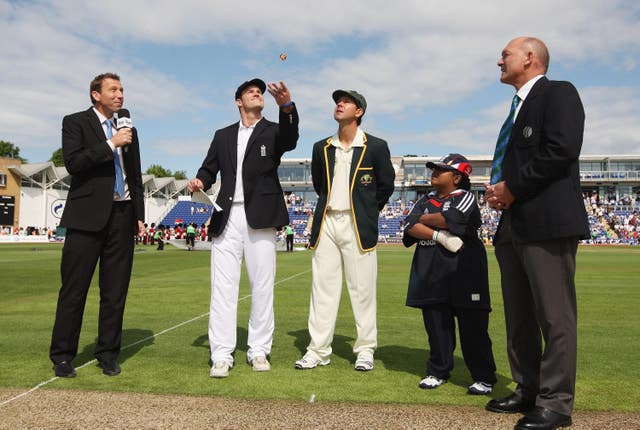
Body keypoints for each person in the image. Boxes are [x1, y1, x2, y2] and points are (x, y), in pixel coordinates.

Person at [484, 37, 589, 430]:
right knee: (519, 315)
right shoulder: (517, 109)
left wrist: (513, 187)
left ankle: (556, 404)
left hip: (547, 222)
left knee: (554, 316)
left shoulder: (558, 93)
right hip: (513, 223)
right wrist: (501, 193)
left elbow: (562, 150)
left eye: (505, 54)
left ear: (530, 57)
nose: (499, 60)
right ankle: (527, 388)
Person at [188, 78, 299, 378]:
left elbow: (291, 138)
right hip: (226, 216)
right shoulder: (222, 135)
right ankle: (221, 354)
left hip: (261, 217)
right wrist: (200, 181)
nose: (257, 94)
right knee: (222, 289)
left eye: (260, 92)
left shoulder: (273, 131)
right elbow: (208, 168)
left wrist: (286, 105)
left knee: (262, 287)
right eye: (251, 91)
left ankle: (259, 349)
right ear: (238, 101)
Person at [49, 72, 145, 378]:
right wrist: (110, 143)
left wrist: (139, 215)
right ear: (96, 94)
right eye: (113, 90)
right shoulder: (75, 122)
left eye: (122, 90)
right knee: (74, 290)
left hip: (122, 216)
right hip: (86, 219)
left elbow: (135, 174)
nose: (120, 95)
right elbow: (73, 163)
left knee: (115, 292)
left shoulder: (129, 129)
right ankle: (63, 355)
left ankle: (107, 353)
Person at [295, 89, 395, 371]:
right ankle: (317, 350)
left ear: (359, 111)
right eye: (338, 101)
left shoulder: (375, 146)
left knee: (362, 289)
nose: (340, 104)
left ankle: (365, 350)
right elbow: (319, 185)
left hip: (357, 224)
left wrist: (366, 212)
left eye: (347, 101)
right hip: (327, 221)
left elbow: (386, 185)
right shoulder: (321, 147)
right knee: (322, 289)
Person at [402, 154, 497, 394]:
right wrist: (438, 235)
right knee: (436, 326)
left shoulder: (465, 197)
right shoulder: (426, 199)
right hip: (431, 271)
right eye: (435, 168)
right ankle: (437, 371)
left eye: (441, 170)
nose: (434, 172)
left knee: (473, 327)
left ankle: (483, 377)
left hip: (464, 271)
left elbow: (451, 219)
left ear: (457, 177)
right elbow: (409, 227)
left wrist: (423, 220)